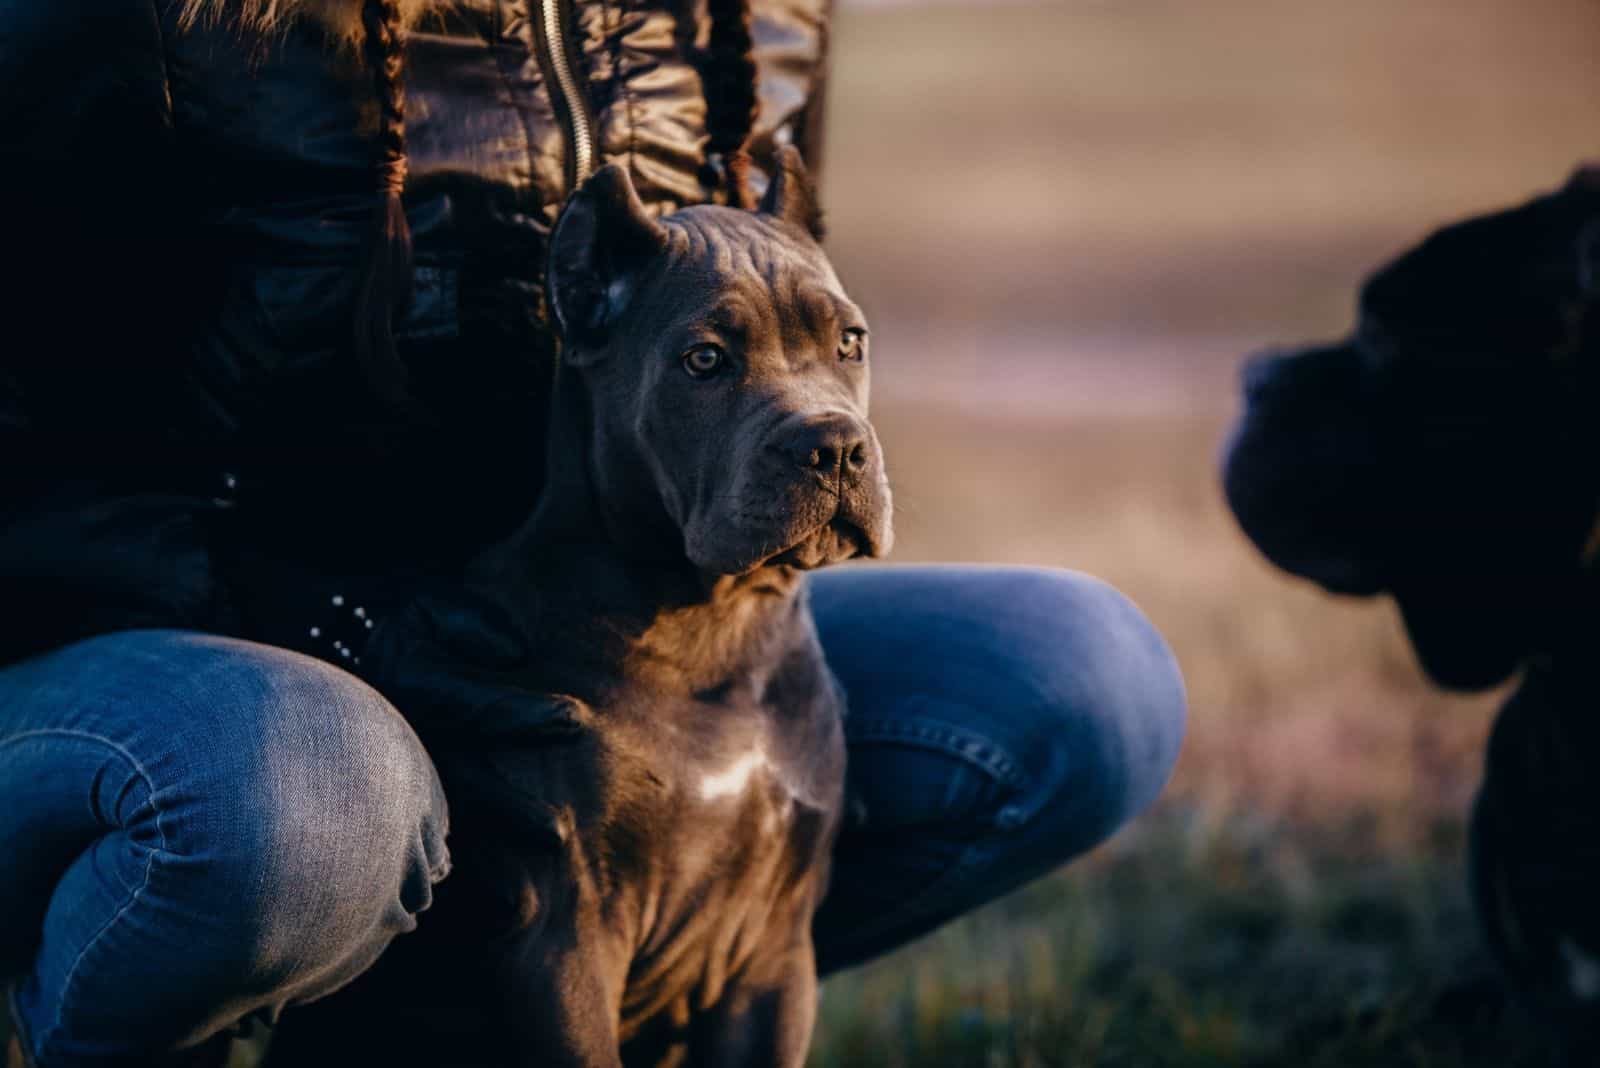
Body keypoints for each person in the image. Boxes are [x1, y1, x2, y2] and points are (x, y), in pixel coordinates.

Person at [0, 1, 1187, 1063]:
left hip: (574, 624)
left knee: (1076, 672)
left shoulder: (754, 14)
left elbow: (776, 285)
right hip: (187, 643)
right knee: (314, 798)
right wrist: (321, 624)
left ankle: (526, 1009)